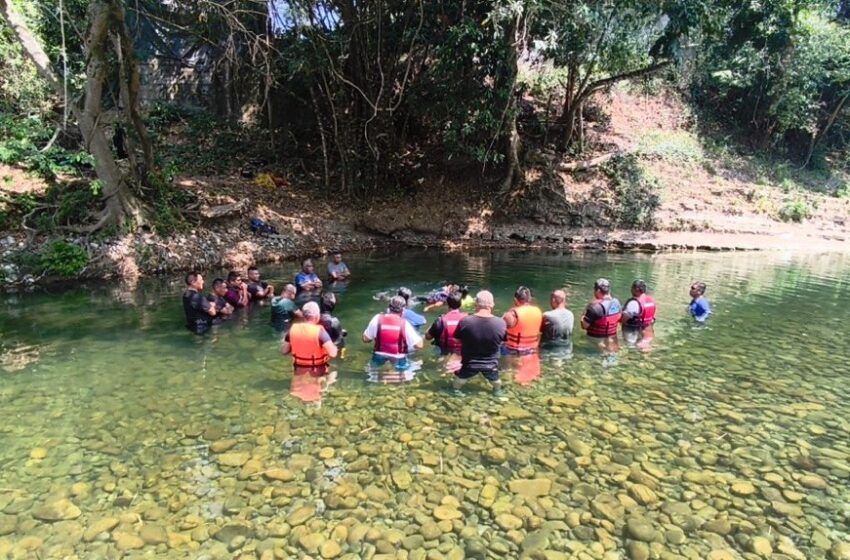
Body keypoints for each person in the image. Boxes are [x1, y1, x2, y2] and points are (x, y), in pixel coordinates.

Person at [452, 290, 507, 395]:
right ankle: (497, 392)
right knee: (496, 382)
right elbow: (503, 342)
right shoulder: (501, 323)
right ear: (492, 305)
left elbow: (456, 339)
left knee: (459, 381)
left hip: (470, 363)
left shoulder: (465, 321)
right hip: (491, 363)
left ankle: (456, 392)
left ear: (476, 303)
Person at [362, 295, 423, 371]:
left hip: (379, 355)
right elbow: (419, 345)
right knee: (418, 364)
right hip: (399, 358)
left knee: (372, 372)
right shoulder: (404, 324)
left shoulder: (377, 318)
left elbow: (365, 339)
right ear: (403, 310)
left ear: (389, 307)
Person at [280, 301, 338, 376]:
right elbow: (333, 354)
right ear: (317, 316)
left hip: (298, 368)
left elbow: (284, 351)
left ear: (303, 316)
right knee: (334, 374)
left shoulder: (292, 330)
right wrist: (334, 347)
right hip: (318, 369)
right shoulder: (320, 333)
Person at [502, 286, 543, 353]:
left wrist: (505, 316)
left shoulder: (512, 314)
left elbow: (498, 330)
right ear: (529, 299)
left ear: (515, 300)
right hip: (532, 350)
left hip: (514, 350)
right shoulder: (538, 312)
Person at [320, 292, 347, 356]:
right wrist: (341, 333)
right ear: (331, 304)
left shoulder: (316, 319)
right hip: (332, 353)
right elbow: (338, 342)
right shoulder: (334, 321)